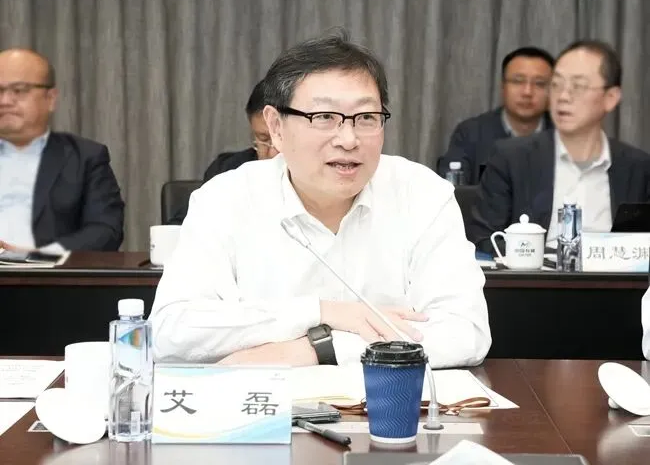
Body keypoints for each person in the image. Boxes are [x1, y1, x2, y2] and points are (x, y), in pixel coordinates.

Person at [151, 29, 491, 368]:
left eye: (366, 118)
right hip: (267, 400)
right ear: (276, 128)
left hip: (384, 398)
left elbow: (465, 333)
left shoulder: (422, 194)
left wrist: (319, 350)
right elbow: (171, 333)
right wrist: (318, 312)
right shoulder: (225, 199)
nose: (348, 139)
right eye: (324, 117)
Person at [469, 40, 650, 255]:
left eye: (578, 86)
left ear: (610, 98)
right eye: (556, 85)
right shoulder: (511, 159)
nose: (563, 96)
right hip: (534, 276)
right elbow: (482, 239)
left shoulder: (638, 168)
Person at [0, 48, 124, 252]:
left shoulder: (85, 158)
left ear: (50, 98)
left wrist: (40, 256)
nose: (5, 101)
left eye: (19, 90)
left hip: (51, 269)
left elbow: (105, 230)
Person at [438, 47, 554, 184]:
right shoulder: (470, 133)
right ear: (503, 87)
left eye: (539, 83)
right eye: (518, 81)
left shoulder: (564, 136)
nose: (527, 92)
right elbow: (452, 190)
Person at [167, 79, 277, 224]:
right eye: (263, 139)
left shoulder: (307, 179)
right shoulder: (227, 169)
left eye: (280, 138)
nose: (272, 153)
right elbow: (181, 225)